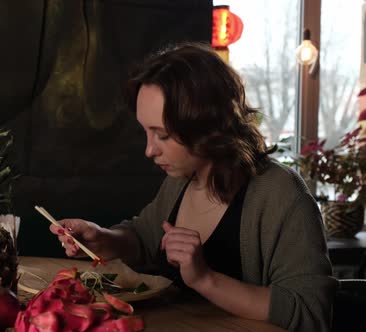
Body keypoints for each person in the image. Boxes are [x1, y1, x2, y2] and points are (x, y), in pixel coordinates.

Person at [49, 43, 337, 331]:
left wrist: (205, 279)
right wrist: (104, 239)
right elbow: (144, 238)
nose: (149, 150)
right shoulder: (181, 180)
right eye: (146, 132)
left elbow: (311, 312)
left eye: (162, 135)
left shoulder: (282, 195)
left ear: (206, 126)